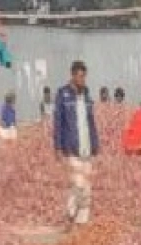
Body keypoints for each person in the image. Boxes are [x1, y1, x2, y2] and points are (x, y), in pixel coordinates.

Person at [54, 60, 99, 227]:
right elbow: (58, 121)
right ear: (73, 76)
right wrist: (58, 146)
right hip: (72, 147)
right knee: (78, 184)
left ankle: (82, 221)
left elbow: (91, 120)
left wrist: (95, 144)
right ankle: (70, 214)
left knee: (87, 187)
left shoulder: (86, 94)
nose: (82, 80)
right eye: (80, 76)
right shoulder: (63, 94)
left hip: (86, 147)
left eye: (84, 76)